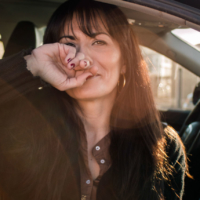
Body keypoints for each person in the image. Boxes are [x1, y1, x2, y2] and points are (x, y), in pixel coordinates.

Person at [0, 0, 189, 200]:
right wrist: (33, 64)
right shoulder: (18, 125)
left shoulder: (163, 146)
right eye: (68, 44)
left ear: (124, 61)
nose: (82, 58)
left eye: (98, 42)